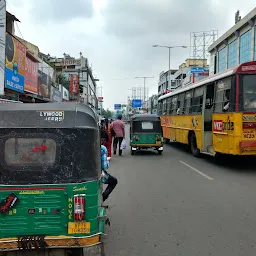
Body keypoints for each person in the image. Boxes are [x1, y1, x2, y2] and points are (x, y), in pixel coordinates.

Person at [100, 128, 118, 202]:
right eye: (104, 140)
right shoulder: (103, 149)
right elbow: (105, 166)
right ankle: (103, 198)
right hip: (99, 174)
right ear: (103, 139)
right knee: (114, 181)